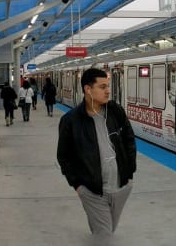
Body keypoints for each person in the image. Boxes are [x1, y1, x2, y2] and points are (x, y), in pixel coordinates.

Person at [57, 68, 136, 237]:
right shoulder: (71, 121)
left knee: (108, 229)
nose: (108, 91)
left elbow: (129, 140)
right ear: (87, 89)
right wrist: (77, 185)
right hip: (92, 191)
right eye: (102, 87)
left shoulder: (116, 112)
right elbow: (63, 156)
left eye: (108, 86)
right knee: (104, 233)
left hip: (121, 186)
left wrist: (129, 173)